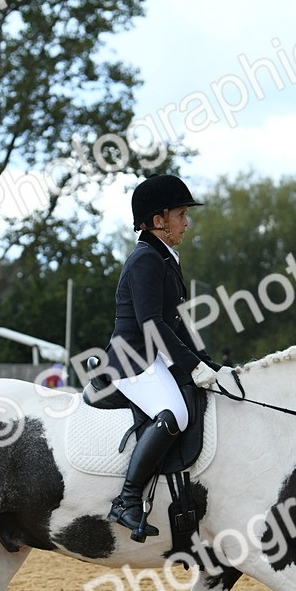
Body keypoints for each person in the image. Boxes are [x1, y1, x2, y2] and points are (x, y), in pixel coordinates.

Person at [104, 174, 223, 542]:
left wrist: (206, 362)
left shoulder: (164, 258)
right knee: (175, 412)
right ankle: (126, 499)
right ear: (159, 220)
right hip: (131, 359)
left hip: (151, 356)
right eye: (181, 214)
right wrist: (190, 366)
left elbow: (177, 322)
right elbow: (151, 324)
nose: (187, 222)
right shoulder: (145, 260)